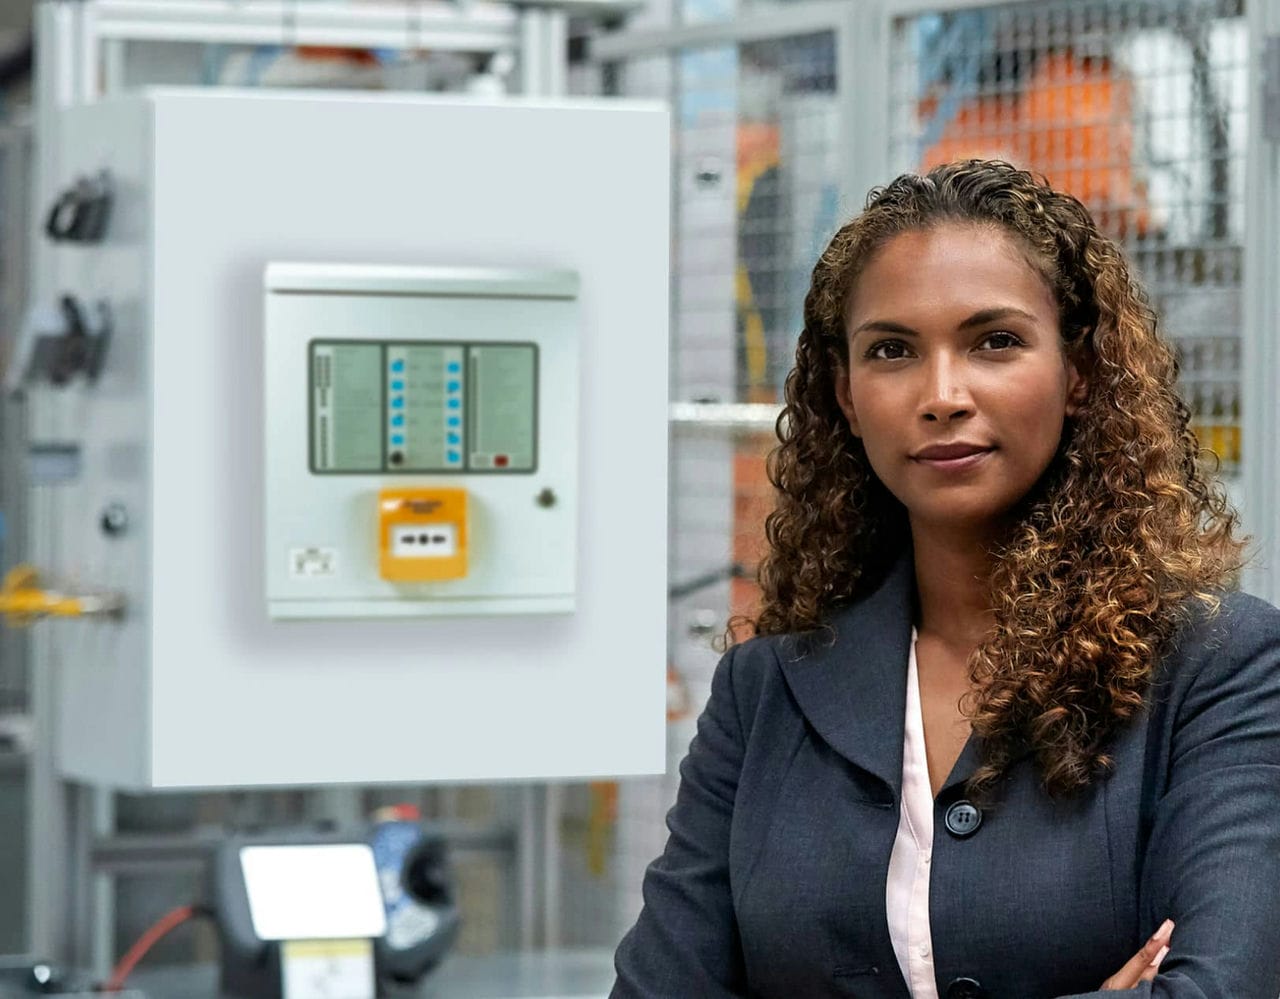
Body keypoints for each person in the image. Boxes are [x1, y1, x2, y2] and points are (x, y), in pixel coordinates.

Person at [610, 160, 1280, 998]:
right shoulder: (765, 691)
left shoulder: (1219, 665)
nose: (941, 394)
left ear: (1080, 373)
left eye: (994, 340)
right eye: (891, 350)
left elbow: (1222, 987)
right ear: (847, 397)